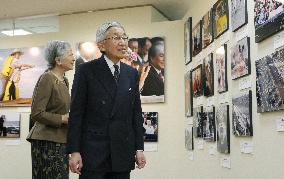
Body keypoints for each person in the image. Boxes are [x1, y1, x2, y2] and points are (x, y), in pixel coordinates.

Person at [67, 21, 146, 179]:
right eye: (116, 37)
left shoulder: (131, 73)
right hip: (93, 153)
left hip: (122, 151)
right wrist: (74, 151)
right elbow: (76, 113)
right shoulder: (86, 71)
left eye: (124, 37)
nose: (123, 42)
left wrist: (139, 148)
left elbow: (136, 113)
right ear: (102, 45)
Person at [26, 40, 75, 179]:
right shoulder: (47, 78)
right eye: (70, 54)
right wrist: (62, 119)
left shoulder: (64, 80)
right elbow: (36, 113)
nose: (74, 58)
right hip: (46, 141)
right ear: (58, 60)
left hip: (61, 140)